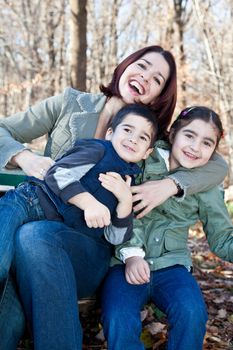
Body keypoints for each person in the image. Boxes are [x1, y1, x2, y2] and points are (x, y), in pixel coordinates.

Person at [0, 45, 227, 350]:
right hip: (42, 230)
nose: (145, 78)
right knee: (8, 316)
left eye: (157, 80)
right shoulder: (71, 103)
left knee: (34, 235)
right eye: (143, 66)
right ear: (126, 64)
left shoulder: (148, 138)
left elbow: (217, 164)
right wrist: (25, 157)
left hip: (94, 246)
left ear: (158, 97)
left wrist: (170, 184)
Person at [100, 106, 233, 350]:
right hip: (124, 262)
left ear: (214, 151)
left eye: (206, 143)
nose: (195, 147)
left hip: (172, 265)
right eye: (189, 136)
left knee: (192, 313)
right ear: (172, 134)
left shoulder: (207, 186)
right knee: (118, 316)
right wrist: (131, 255)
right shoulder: (142, 158)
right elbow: (124, 209)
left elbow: (222, 237)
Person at [0, 104, 158, 283]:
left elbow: (115, 237)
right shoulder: (98, 150)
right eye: (127, 130)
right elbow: (57, 174)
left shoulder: (129, 182)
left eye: (142, 137)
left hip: (50, 229)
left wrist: (125, 201)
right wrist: (88, 202)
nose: (133, 139)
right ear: (110, 133)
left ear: (148, 152)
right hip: (28, 202)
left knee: (12, 276)